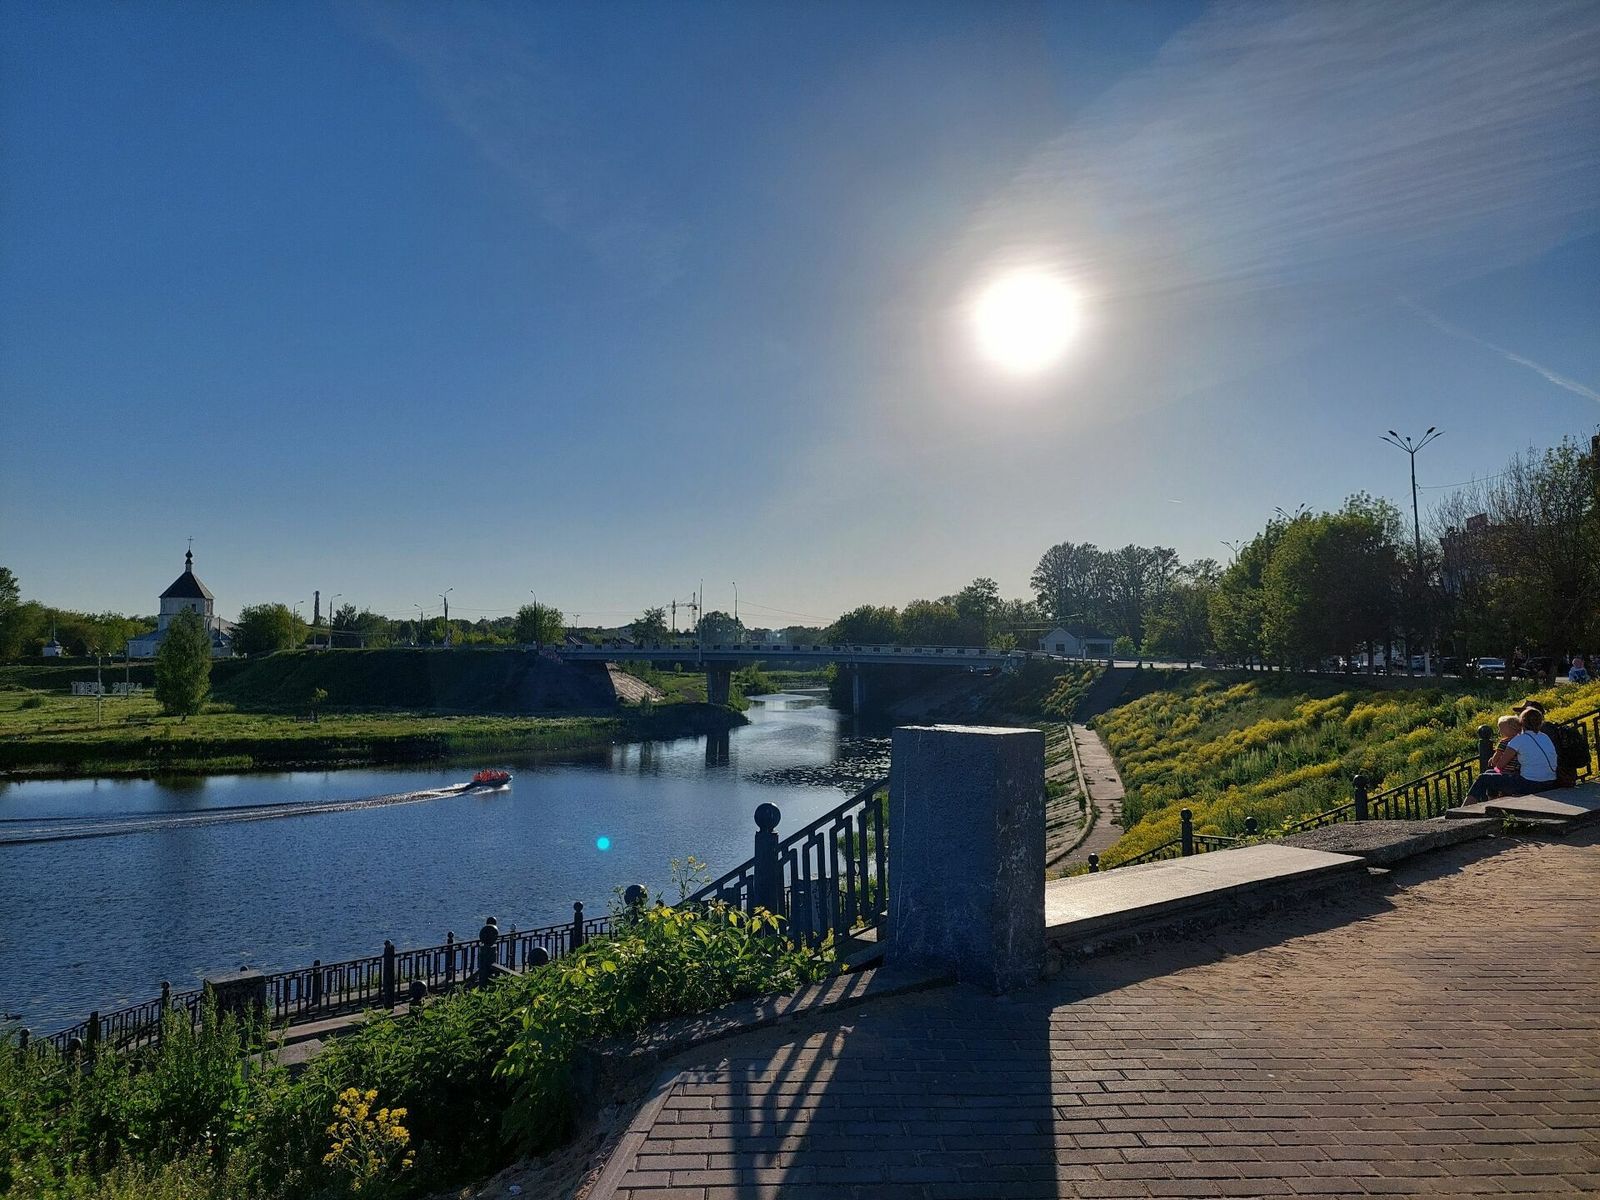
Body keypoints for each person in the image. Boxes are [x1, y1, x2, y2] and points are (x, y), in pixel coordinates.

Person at [1467, 707, 1558, 801]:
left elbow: (1500, 766)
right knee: (1490, 774)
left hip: (1530, 784)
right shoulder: (1545, 737)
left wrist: (1497, 770)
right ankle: (1493, 801)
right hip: (1550, 782)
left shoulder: (1519, 739)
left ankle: (1466, 807)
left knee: (1483, 778)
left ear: (1522, 723)